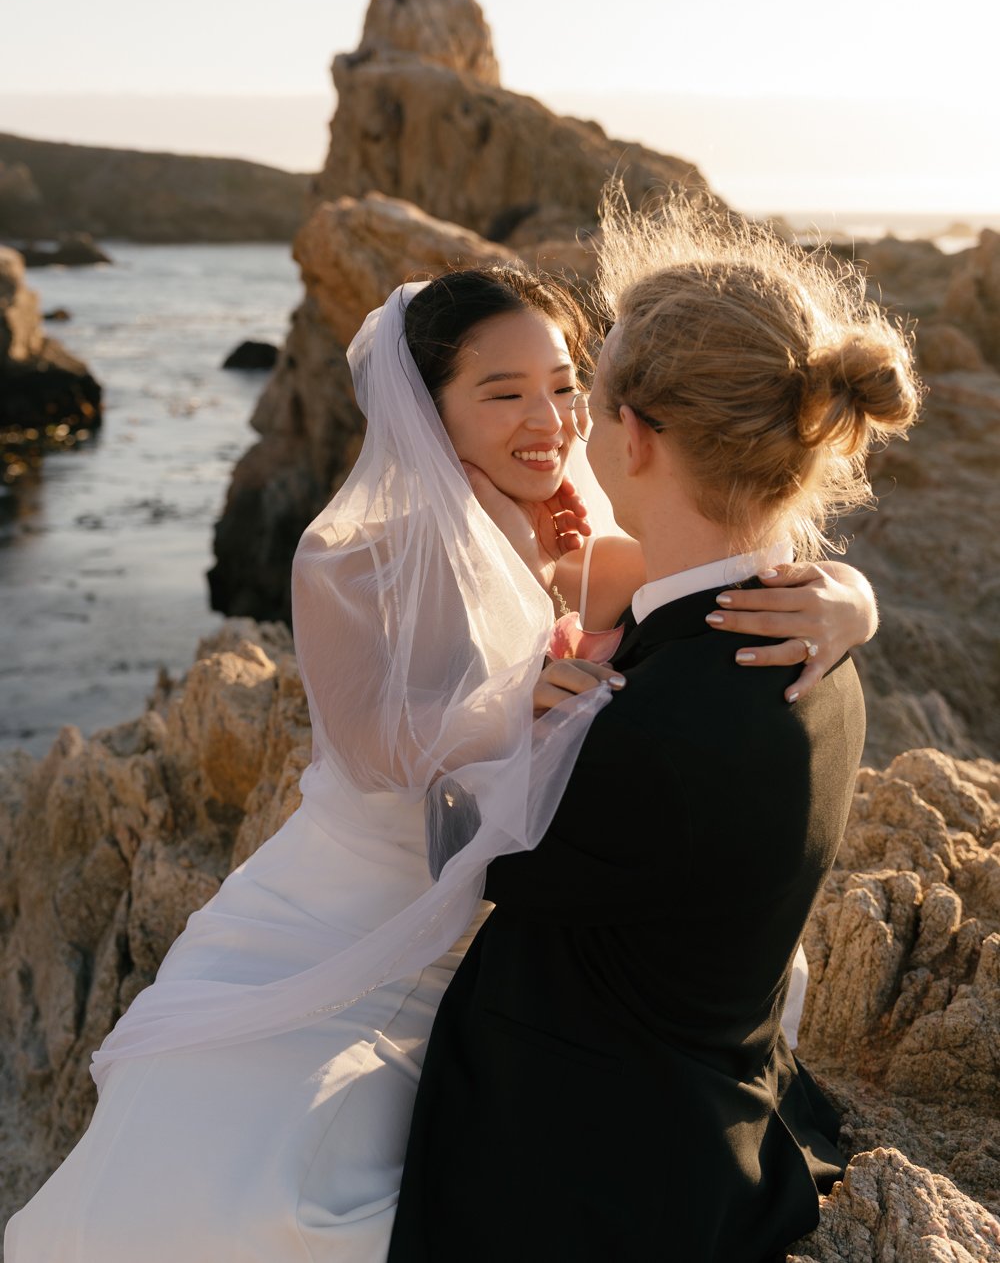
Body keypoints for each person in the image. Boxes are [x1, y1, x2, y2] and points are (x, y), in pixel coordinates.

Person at [5, 263, 878, 1263]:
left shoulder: (576, 546)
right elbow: (370, 741)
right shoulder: (349, 556)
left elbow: (730, 575)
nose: (546, 419)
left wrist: (850, 598)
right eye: (501, 394)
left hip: (495, 914)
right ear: (427, 411)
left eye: (562, 385)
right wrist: (508, 710)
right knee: (225, 1164)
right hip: (349, 893)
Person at [388, 203, 920, 1263]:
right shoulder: (812, 647)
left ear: (629, 434)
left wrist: (500, 730)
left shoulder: (654, 728)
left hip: (586, 1164)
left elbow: (471, 856)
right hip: (712, 1080)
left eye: (585, 395)